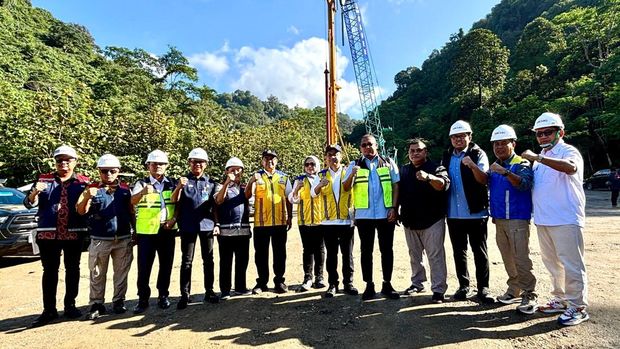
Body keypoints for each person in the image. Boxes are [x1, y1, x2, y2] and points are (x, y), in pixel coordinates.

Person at [521, 112, 589, 326]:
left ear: (561, 132)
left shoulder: (568, 151)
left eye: (547, 132)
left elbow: (571, 168)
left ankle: (578, 306)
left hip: (565, 218)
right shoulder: (539, 159)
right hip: (544, 219)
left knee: (572, 264)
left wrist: (538, 157)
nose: (542, 137)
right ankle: (560, 300)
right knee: (552, 264)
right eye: (539, 133)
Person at [24, 145, 90, 327]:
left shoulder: (83, 182)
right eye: (60, 160)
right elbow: (28, 203)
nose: (64, 163)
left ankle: (70, 306)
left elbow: (89, 207)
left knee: (73, 269)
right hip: (48, 233)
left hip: (74, 232)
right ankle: (49, 310)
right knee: (50, 272)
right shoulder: (43, 179)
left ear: (75, 162)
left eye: (68, 160)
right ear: (55, 162)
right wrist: (35, 191)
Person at [441, 120, 495, 304]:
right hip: (454, 214)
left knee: (480, 251)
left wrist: (472, 165)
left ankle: (483, 288)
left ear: (469, 137)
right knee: (459, 252)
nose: (458, 139)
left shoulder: (478, 154)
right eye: (455, 136)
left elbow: (484, 179)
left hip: (476, 213)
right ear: (451, 139)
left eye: (462, 136)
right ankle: (463, 285)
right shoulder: (447, 156)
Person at [76, 154, 135, 320]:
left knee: (121, 271)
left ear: (118, 172)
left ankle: (118, 301)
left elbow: (131, 212)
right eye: (104, 171)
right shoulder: (91, 188)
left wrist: (135, 231)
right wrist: (88, 196)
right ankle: (96, 303)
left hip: (122, 238)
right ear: (99, 171)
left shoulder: (125, 190)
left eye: (112, 171)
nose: (108, 174)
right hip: (100, 239)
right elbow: (81, 210)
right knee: (97, 273)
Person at [487, 125, 538, 314]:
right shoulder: (494, 166)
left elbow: (524, 184)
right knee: (507, 258)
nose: (499, 147)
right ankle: (514, 289)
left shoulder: (521, 163)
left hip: (517, 219)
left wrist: (505, 172)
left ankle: (529, 294)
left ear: (513, 143)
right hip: (499, 221)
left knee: (521, 259)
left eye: (503, 143)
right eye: (496, 144)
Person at [344, 134, 400, 300]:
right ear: (360, 148)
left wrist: (394, 208)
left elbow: (396, 185)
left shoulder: (388, 162)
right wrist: (352, 175)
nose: (367, 147)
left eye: (370, 144)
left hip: (385, 214)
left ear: (377, 145)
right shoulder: (355, 164)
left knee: (386, 250)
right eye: (364, 145)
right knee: (366, 251)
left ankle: (387, 284)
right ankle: (369, 285)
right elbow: (346, 187)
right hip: (364, 215)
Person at [398, 138, 450, 304]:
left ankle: (438, 290)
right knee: (414, 256)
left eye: (419, 150)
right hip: (409, 221)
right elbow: (398, 192)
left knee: (435, 256)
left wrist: (429, 177)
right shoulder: (404, 170)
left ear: (425, 152)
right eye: (412, 150)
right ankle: (417, 283)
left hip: (432, 220)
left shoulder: (436, 167)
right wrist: (395, 211)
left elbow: (443, 184)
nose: (415, 153)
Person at [131, 150, 181, 313]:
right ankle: (143, 298)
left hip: (167, 230)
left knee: (166, 265)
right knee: (144, 267)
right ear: (148, 166)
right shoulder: (141, 183)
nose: (158, 166)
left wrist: (174, 219)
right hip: (146, 232)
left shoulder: (172, 183)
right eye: (154, 164)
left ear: (166, 166)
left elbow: (179, 203)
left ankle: (163, 295)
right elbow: (132, 201)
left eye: (161, 164)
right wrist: (142, 192)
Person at [175, 148, 219, 309]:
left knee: (208, 260)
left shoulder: (211, 183)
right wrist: (179, 187)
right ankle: (185, 294)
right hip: (188, 226)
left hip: (207, 225)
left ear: (206, 164)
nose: (197, 165)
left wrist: (217, 223)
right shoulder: (183, 181)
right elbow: (175, 201)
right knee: (187, 261)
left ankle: (209, 290)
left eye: (200, 162)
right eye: (194, 162)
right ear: (189, 163)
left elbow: (215, 206)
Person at [245, 150, 293, 294]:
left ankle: (279, 281)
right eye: (266, 159)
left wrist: (289, 216)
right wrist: (251, 181)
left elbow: (288, 198)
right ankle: (262, 282)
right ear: (262, 161)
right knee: (261, 254)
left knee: (280, 253)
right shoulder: (257, 177)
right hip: (261, 223)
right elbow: (247, 195)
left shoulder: (284, 177)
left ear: (277, 161)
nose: (269, 161)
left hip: (279, 222)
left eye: (272, 159)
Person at [313, 145, 358, 298]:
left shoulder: (349, 172)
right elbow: (313, 194)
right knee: (332, 255)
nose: (333, 157)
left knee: (348, 254)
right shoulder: (321, 175)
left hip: (346, 221)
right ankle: (333, 284)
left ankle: (348, 283)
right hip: (328, 222)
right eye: (329, 154)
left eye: (336, 154)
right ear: (325, 158)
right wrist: (320, 185)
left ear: (341, 157)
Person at [214, 157, 252, 300]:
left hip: (243, 231)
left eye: (238, 169)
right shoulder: (220, 186)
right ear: (226, 171)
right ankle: (225, 290)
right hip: (226, 232)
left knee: (242, 260)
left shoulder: (244, 188)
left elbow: (249, 200)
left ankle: (240, 287)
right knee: (225, 261)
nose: (235, 172)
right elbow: (219, 200)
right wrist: (227, 183)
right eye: (232, 169)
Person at [288, 155, 325, 292]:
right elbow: (292, 199)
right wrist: (297, 189)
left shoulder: (322, 178)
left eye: (313, 164)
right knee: (308, 250)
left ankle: (319, 277)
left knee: (320, 249)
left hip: (320, 220)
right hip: (304, 221)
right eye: (307, 164)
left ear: (317, 166)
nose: (310, 167)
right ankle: (308, 277)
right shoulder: (299, 180)